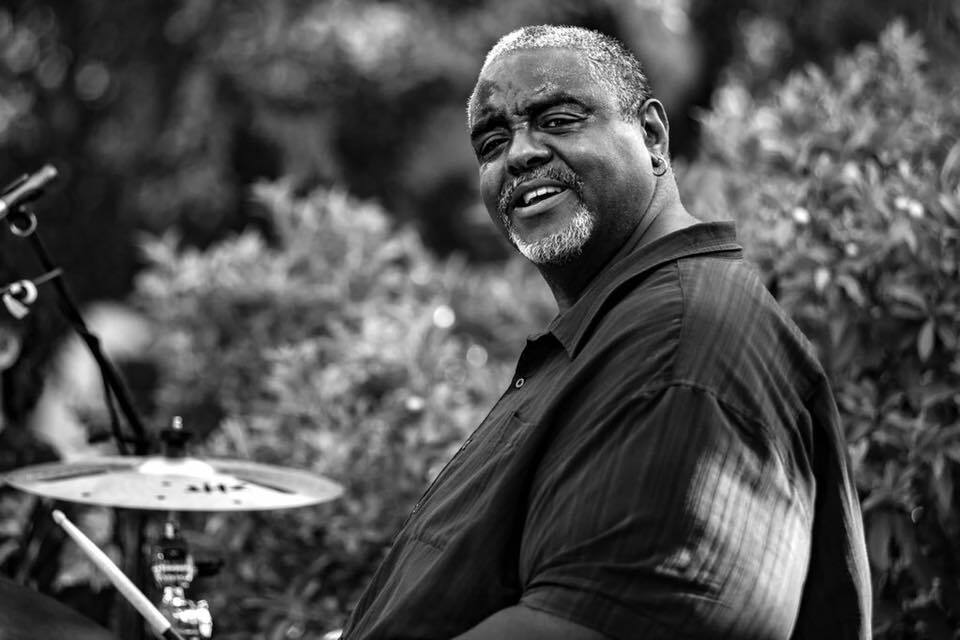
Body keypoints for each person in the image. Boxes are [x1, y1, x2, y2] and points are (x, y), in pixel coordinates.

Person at [342, 25, 871, 640]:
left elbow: (610, 621)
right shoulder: (622, 326)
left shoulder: (680, 340)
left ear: (652, 136)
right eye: (492, 142)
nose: (519, 154)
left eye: (558, 120)